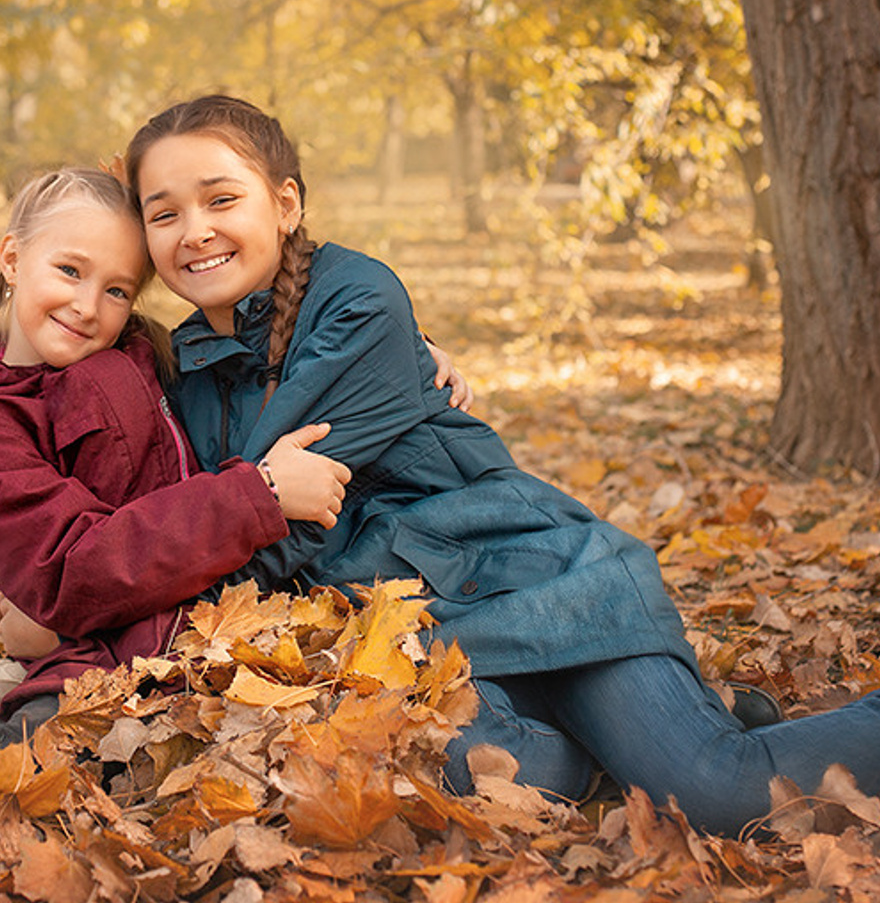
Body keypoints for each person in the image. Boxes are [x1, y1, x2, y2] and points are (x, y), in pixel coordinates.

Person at [110, 94, 880, 839]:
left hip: (538, 589)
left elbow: (278, 527)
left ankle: (677, 727)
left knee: (720, 793)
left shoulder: (360, 300)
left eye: (220, 199)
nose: (195, 231)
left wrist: (171, 577)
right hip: (421, 641)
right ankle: (657, 726)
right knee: (502, 773)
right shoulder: (184, 368)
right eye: (164, 212)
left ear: (285, 204)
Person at [0, 167, 353, 762]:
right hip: (105, 631)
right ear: (12, 258)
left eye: (117, 290)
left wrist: (400, 351)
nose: (86, 306)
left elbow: (262, 349)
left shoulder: (134, 351)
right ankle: (4, 704)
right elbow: (70, 566)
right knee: (55, 749)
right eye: (70, 271)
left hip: (194, 599)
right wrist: (259, 494)